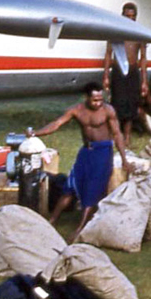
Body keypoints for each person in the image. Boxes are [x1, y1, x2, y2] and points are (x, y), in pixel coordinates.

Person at [36, 83, 130, 238]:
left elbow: (117, 134)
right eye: (94, 100)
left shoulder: (108, 110)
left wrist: (124, 158)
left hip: (103, 152)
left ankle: (80, 228)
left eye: (100, 99)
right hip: (86, 151)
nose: (98, 103)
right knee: (70, 185)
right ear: (87, 98)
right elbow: (57, 124)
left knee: (93, 189)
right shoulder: (77, 110)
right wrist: (36, 133)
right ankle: (52, 220)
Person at [102, 2, 147, 134]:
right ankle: (116, 133)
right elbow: (108, 54)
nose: (130, 19)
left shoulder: (140, 33)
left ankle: (127, 136)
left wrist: (144, 80)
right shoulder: (115, 32)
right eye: (127, 16)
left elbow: (143, 58)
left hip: (133, 72)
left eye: (132, 16)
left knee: (132, 103)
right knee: (117, 101)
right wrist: (105, 75)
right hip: (118, 71)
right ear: (122, 15)